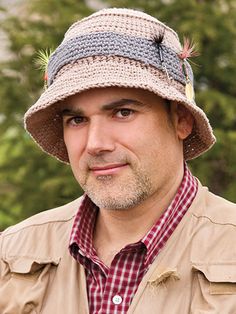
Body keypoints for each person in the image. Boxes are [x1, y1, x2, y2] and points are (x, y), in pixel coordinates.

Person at [0, 8, 235, 314]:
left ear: (181, 121)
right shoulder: (10, 257)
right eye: (76, 119)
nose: (95, 144)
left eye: (123, 113)